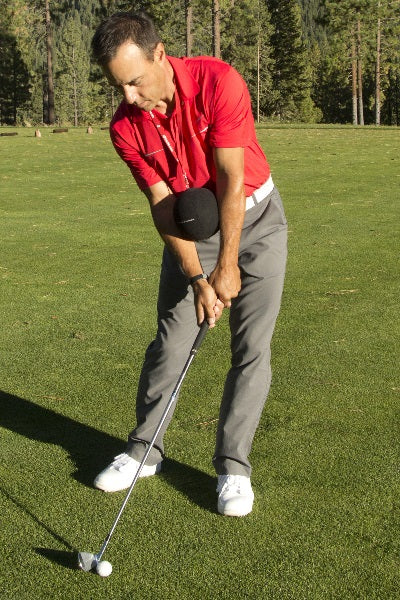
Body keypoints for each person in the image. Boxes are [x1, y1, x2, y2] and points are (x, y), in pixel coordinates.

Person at [91, 11, 287, 517]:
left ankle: (233, 468)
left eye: (135, 81)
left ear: (160, 54)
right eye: (118, 86)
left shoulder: (218, 81)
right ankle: (144, 451)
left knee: (251, 347)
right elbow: (161, 203)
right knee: (171, 342)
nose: (129, 96)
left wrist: (228, 265)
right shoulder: (125, 127)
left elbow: (231, 177)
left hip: (257, 220)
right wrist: (199, 277)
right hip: (191, 232)